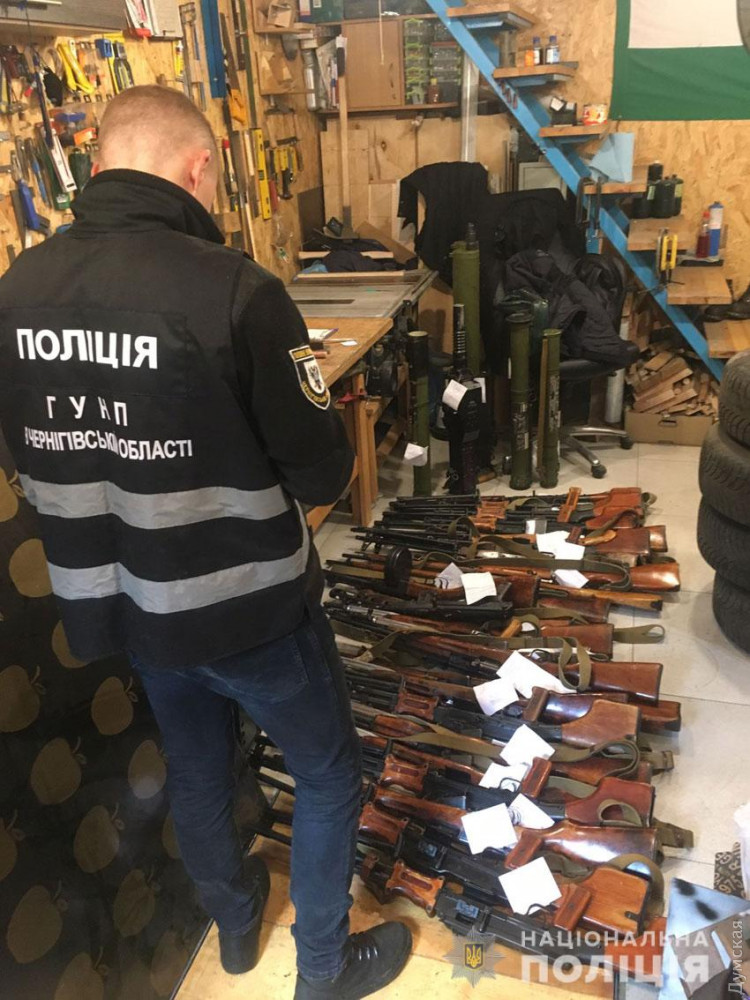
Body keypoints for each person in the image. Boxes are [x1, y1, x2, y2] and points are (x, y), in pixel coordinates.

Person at [0, 85, 411, 999]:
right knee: (329, 773)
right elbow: (322, 469)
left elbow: (26, 452)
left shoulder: (16, 291)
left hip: (133, 610)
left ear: (99, 165)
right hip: (250, 614)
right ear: (197, 169)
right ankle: (325, 968)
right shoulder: (234, 289)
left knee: (196, 768)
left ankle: (233, 928)